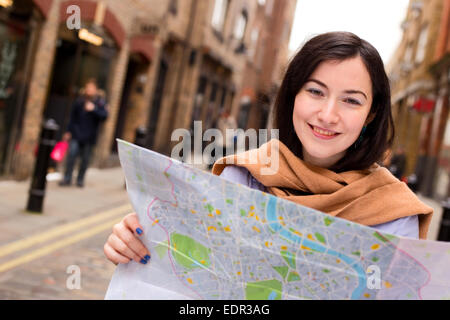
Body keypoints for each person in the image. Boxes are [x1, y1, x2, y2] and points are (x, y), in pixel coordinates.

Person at [103, 32, 433, 266]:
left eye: (350, 100)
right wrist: (135, 241)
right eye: (316, 92)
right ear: (293, 96)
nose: (328, 115)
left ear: (371, 114)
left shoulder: (394, 214)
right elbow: (193, 264)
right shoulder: (243, 176)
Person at [59, 79, 108, 188]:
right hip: (76, 134)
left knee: (85, 160)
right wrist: (68, 131)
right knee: (71, 156)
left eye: (91, 88)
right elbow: (72, 117)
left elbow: (104, 116)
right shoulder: (79, 101)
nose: (89, 90)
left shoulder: (100, 102)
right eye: (87, 87)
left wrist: (94, 109)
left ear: (95, 89)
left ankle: (80, 180)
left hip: (90, 136)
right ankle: (67, 178)